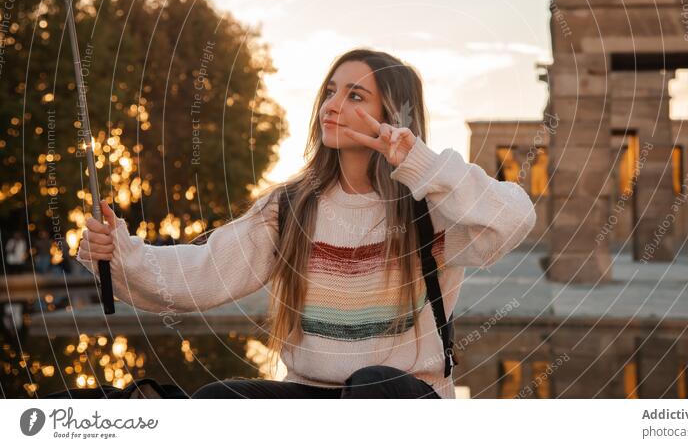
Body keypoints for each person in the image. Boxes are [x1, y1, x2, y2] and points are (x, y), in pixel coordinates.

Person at [76, 49, 537, 399]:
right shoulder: (291, 207)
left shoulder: (430, 207)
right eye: (330, 91)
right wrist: (118, 252)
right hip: (313, 396)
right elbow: (203, 273)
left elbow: (514, 219)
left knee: (372, 385)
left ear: (393, 114)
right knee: (217, 400)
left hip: (401, 397)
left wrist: (419, 162)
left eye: (355, 95)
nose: (332, 105)